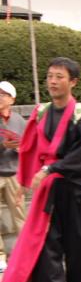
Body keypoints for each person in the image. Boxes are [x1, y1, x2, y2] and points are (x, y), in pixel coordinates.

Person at [0, 57, 81, 282]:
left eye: (59, 76)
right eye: (50, 76)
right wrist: (24, 180)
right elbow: (30, 148)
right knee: (45, 254)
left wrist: (51, 168)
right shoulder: (41, 113)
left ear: (73, 82)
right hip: (47, 191)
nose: (53, 81)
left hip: (77, 190)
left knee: (79, 255)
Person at [0, 80, 26, 272]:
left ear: (12, 98)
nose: (0, 98)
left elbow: (30, 146)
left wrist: (19, 147)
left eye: (3, 94)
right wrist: (3, 146)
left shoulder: (19, 120)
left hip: (15, 174)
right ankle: (0, 257)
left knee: (20, 216)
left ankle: (25, 252)